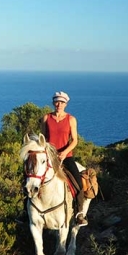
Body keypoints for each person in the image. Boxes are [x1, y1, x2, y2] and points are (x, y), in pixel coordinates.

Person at [41, 91, 88, 226]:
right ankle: (26, 212)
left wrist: (64, 152)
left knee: (78, 183)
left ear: (66, 104)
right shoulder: (46, 118)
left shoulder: (71, 119)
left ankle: (79, 213)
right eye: (57, 101)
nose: (59, 104)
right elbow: (42, 138)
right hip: (49, 156)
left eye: (62, 102)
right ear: (53, 103)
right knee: (30, 178)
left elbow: (74, 140)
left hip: (66, 156)